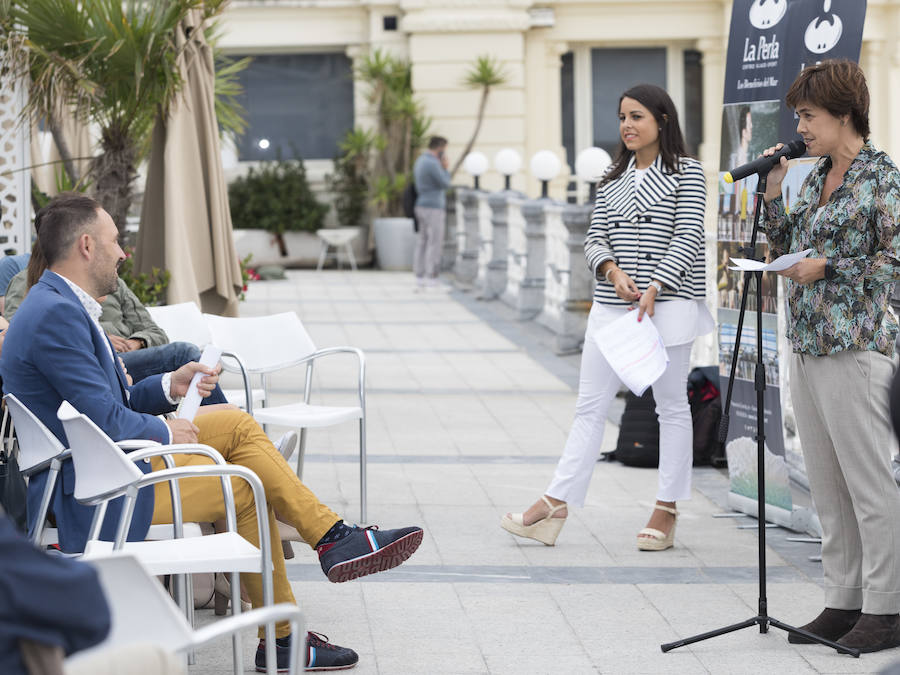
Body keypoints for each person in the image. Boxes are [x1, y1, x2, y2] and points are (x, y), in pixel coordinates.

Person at [0, 193, 425, 672]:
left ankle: (328, 544)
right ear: (85, 247)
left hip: (105, 470)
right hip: (98, 494)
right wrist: (165, 430)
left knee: (238, 430)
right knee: (245, 487)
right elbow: (103, 417)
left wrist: (168, 384)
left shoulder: (58, 304)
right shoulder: (56, 314)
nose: (123, 253)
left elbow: (109, 403)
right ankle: (295, 614)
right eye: (115, 241)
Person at [500, 84, 712, 551]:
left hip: (669, 304)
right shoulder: (611, 177)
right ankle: (556, 502)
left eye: (637, 116)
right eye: (622, 117)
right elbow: (594, 237)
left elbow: (690, 235)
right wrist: (612, 271)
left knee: (671, 408)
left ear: (663, 119)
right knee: (589, 406)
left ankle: (667, 507)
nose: (627, 126)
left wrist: (655, 285)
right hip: (613, 308)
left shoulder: (690, 173)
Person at [761, 59, 900, 653]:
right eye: (799, 116)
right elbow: (787, 245)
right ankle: (843, 599)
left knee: (870, 486)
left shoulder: (883, 179)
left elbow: (895, 262)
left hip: (857, 347)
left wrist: (831, 268)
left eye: (809, 116)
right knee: (827, 484)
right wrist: (773, 193)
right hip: (808, 343)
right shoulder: (816, 176)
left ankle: (888, 606)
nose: (802, 126)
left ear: (845, 115)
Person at [4, 251, 227, 403]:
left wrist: (136, 342)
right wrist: (98, 339)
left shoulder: (114, 283)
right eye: (112, 242)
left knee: (233, 422)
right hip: (93, 362)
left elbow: (157, 334)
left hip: (129, 360)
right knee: (185, 354)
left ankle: (211, 428)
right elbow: (21, 340)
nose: (121, 253)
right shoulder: (30, 283)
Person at [412, 135, 451, 288]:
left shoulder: (420, 160)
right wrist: (446, 169)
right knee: (435, 241)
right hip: (433, 207)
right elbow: (445, 183)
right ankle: (431, 276)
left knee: (422, 241)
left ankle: (419, 275)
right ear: (440, 149)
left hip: (420, 204)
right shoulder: (433, 163)